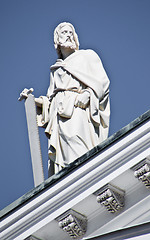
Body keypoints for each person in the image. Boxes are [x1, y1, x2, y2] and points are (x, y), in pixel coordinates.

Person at [35, 22, 110, 175]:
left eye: (71, 32)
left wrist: (88, 94)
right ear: (57, 40)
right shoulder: (56, 68)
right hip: (58, 116)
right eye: (64, 32)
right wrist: (33, 102)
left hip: (77, 109)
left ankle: (84, 178)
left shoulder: (87, 56)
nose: (68, 35)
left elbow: (102, 82)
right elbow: (50, 98)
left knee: (76, 140)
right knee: (63, 155)